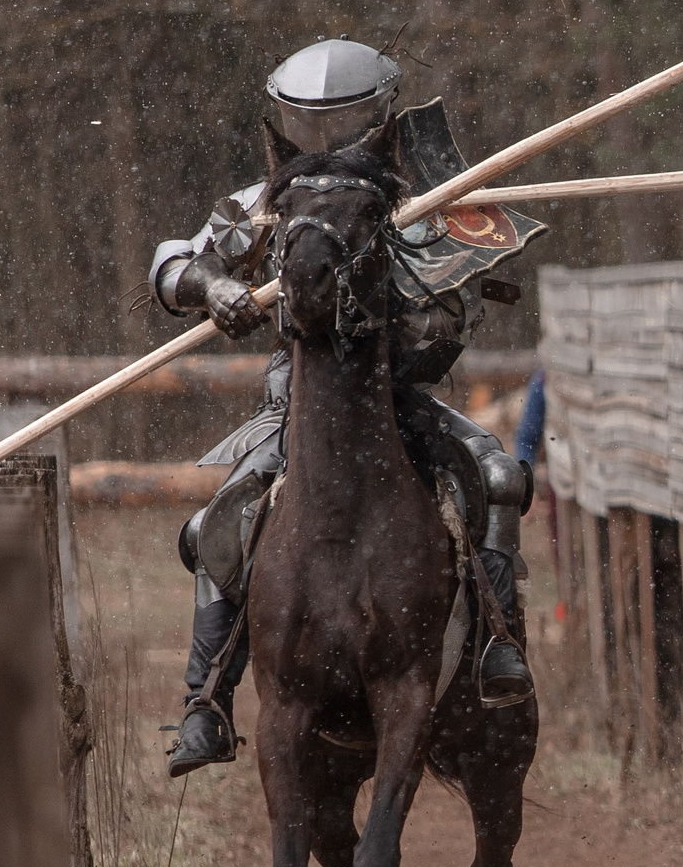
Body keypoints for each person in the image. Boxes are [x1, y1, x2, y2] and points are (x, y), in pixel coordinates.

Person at [155, 38, 534, 778]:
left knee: (496, 476)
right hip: (301, 408)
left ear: (378, 116)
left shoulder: (424, 205)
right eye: (311, 122)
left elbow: (458, 308)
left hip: (397, 402)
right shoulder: (267, 204)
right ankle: (208, 697)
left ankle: (498, 646)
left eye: (342, 121)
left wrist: (411, 303)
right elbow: (172, 262)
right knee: (220, 520)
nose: (325, 139)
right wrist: (217, 288)